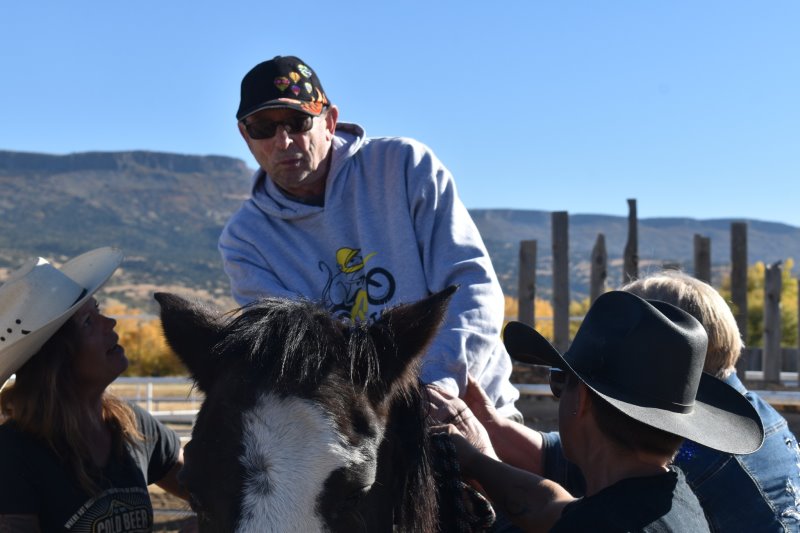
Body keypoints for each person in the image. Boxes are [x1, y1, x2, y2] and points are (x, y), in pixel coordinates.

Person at [218, 55, 520, 419]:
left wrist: (436, 386)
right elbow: (293, 357)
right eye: (263, 127)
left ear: (329, 121)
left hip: (469, 411)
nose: (283, 141)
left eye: (298, 122)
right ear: (244, 135)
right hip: (358, 438)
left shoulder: (404, 167)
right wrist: (375, 413)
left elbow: (470, 284)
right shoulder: (245, 241)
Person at [432, 290, 764, 531]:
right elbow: (553, 507)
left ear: (583, 401)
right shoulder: (669, 498)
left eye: (561, 382)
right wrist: (479, 452)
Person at [0, 248, 189, 531]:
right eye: (88, 321)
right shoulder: (13, 453)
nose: (109, 323)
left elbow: (208, 490)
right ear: (56, 361)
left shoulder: (129, 424)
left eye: (97, 310)